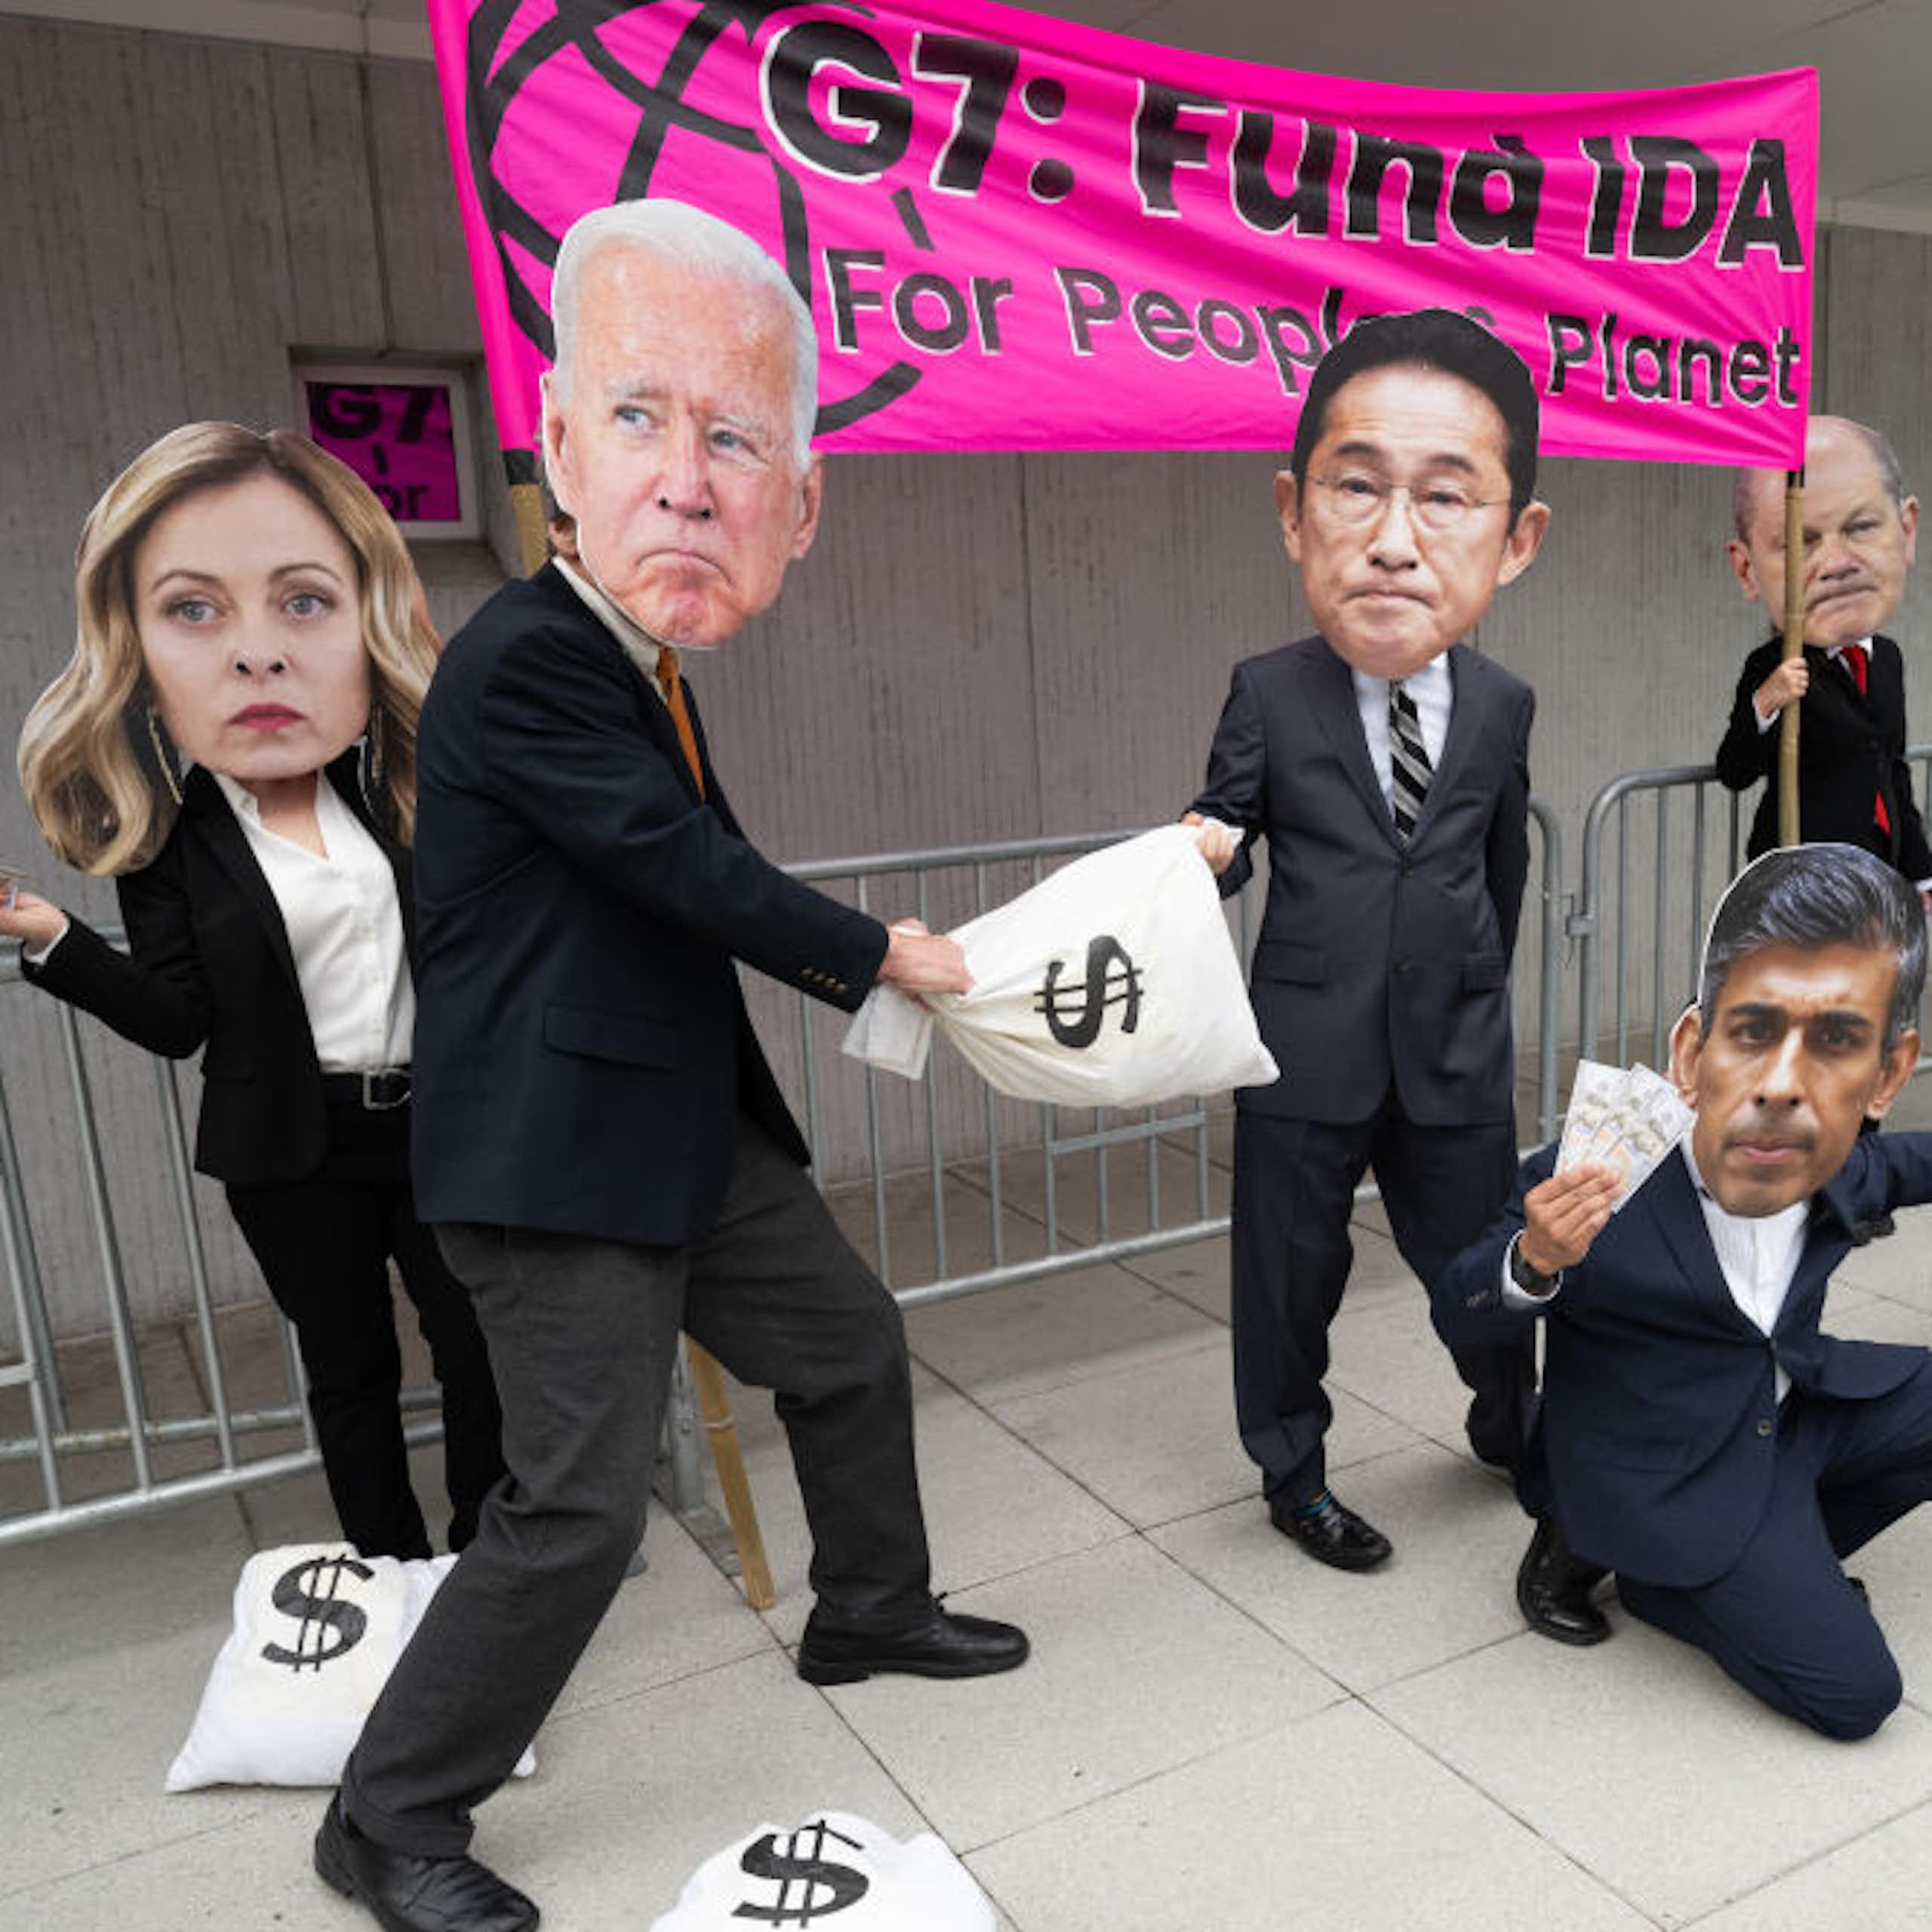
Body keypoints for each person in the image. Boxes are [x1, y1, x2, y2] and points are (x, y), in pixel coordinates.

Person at [314, 200, 1027, 1932]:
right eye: (643, 419)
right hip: (556, 1165)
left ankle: (868, 1603)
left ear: (793, 493)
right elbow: (675, 864)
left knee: (848, 1346)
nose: (689, 480)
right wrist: (880, 950)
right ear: (557, 442)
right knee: (568, 1504)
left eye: (736, 438)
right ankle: (387, 1809)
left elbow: (659, 879)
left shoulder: (636, 662)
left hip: (677, 1137)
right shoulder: (529, 658)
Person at [1, 423, 503, 1560]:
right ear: (136, 653)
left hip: (438, 1128)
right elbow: (178, 1022)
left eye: (305, 603)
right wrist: (49, 939)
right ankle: (392, 1572)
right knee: (353, 1374)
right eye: (194, 609)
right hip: (294, 1152)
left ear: (364, 627)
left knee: (478, 1349)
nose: (258, 657)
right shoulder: (168, 847)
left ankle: (489, 1558)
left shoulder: (402, 801)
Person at [1186, 309, 1551, 1572]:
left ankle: (1517, 1431)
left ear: (1515, 542)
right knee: (1287, 1287)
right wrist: (1206, 848)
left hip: (1453, 1045)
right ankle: (1295, 1475)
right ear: (1298, 512)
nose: (1396, 541)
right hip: (1305, 1044)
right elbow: (1227, 821)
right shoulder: (1268, 688)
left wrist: (1469, 987)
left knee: (1494, 1270)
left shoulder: (1503, 704)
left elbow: (1495, 868)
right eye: (1358, 487)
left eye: (1448, 500)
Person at [1435, 843, 1932, 1739]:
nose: (1782, 1086)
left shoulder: (1841, 1167)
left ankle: (1767, 1556)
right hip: (1657, 1463)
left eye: (1836, 1043)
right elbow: (1457, 1296)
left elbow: (1918, 1162)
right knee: (1856, 1698)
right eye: (1752, 1032)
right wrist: (1532, 1259)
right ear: (1691, 1048)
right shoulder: (1594, 1170)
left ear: (1886, 1076)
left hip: (1786, 1414)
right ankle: (1652, 1572)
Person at [1715, 415, 1932, 888]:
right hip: (1804, 884)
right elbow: (1734, 769)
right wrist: (1766, 702)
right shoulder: (1773, 665)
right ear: (1747, 569)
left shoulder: (1888, 659)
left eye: (1861, 528)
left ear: (1908, 529)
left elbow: (1892, 772)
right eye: (1802, 542)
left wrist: (1919, 873)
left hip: (1878, 875)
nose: (1836, 564)